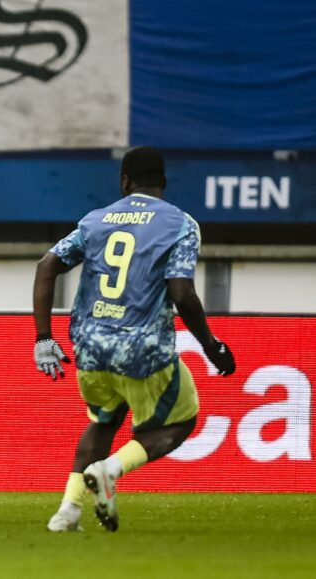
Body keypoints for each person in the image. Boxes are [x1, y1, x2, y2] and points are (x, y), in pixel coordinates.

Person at [32, 146, 236, 532]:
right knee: (181, 422)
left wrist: (44, 338)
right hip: (143, 348)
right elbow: (181, 293)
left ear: (124, 181)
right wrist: (211, 345)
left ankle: (67, 512)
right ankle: (111, 469)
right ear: (163, 183)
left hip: (90, 348)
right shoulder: (180, 223)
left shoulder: (95, 220)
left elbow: (47, 266)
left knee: (102, 420)